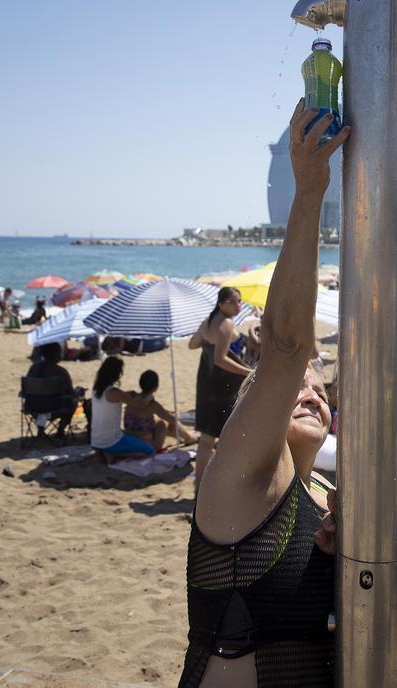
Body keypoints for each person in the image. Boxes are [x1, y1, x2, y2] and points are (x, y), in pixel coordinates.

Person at [180, 100, 343, 688]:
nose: (310, 389)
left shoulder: (327, 496)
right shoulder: (237, 482)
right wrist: (309, 193)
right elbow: (284, 348)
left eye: (321, 388)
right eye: (296, 385)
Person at [187, 286, 252, 491]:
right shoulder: (225, 324)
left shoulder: (209, 321)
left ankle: (199, 484)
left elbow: (192, 344)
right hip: (221, 385)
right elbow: (220, 360)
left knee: (207, 438)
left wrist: (209, 336)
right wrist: (247, 372)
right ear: (222, 303)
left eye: (240, 301)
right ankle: (223, 483)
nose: (239, 305)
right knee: (228, 435)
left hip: (205, 381)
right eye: (235, 301)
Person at [86, 356, 156, 457]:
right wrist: (150, 395)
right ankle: (115, 455)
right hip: (111, 441)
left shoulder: (96, 389)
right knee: (149, 451)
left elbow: (110, 400)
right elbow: (140, 404)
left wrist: (126, 394)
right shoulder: (114, 392)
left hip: (96, 440)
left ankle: (108, 453)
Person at [123, 369, 197, 450]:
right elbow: (172, 420)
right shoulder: (153, 405)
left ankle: (186, 436)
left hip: (128, 435)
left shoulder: (131, 397)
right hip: (146, 441)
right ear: (156, 387)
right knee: (164, 423)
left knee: (157, 420)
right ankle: (188, 438)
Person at [24, 342, 81, 437]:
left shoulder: (33, 368)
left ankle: (40, 430)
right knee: (73, 401)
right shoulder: (61, 372)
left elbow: (25, 389)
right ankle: (60, 430)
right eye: (59, 352)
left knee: (43, 400)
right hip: (54, 408)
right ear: (55, 354)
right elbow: (70, 392)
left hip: (32, 407)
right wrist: (77, 392)